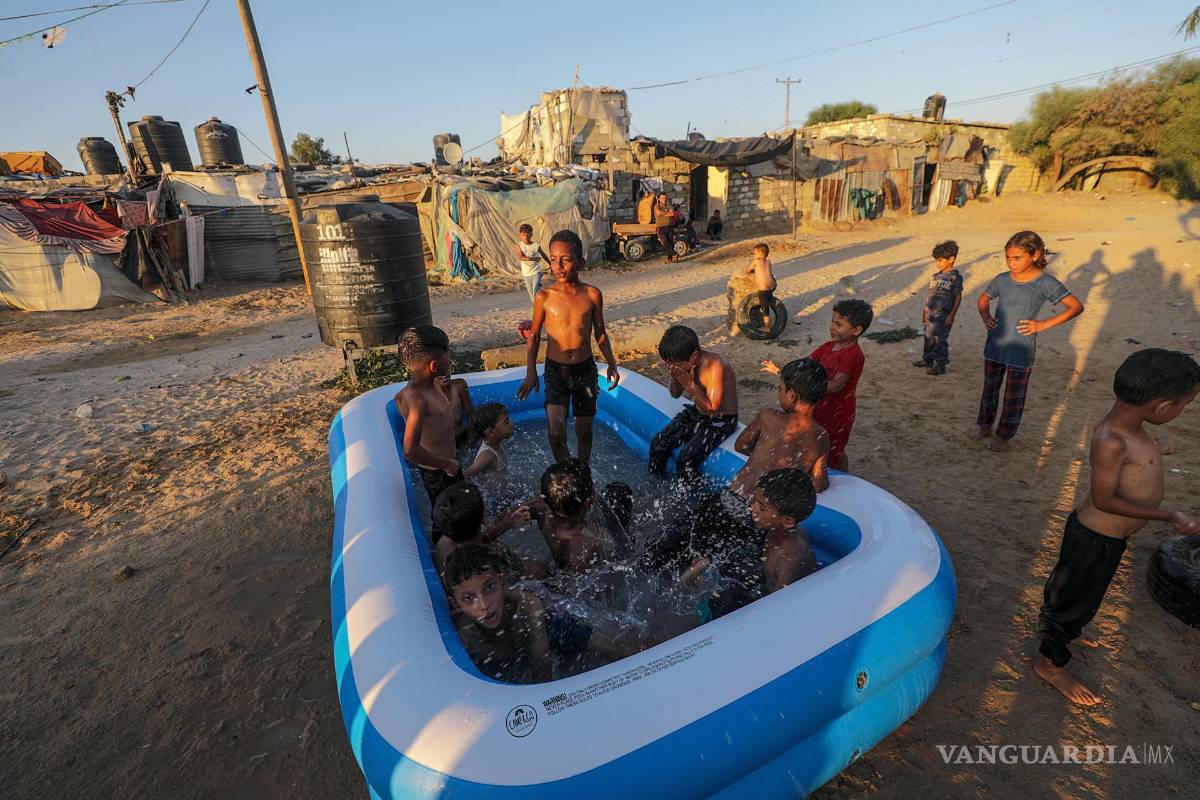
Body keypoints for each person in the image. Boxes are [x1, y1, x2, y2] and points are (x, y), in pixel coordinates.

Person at [1033, 348, 1200, 706]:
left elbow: (1135, 462)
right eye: (1182, 405)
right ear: (1160, 407)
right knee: (1069, 603)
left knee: (1082, 596)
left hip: (1108, 539)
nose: (1181, 412)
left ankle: (1070, 630)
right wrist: (1169, 516)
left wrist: (1158, 448)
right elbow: (1105, 499)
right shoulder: (1110, 440)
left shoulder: (1132, 428)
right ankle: (1050, 664)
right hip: (1094, 538)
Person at [970, 230, 1084, 451]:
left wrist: (1044, 324)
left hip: (1021, 348)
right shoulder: (1001, 280)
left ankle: (1004, 435)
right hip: (995, 345)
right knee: (989, 389)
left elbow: (1076, 306)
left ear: (1035, 254)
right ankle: (984, 425)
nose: (1011, 263)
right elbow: (983, 299)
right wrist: (986, 317)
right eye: (1008, 257)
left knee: (1014, 395)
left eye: (1017, 258)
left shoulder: (1046, 283)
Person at [517, 229, 620, 464]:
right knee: (555, 433)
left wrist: (612, 364)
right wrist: (531, 372)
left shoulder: (593, 295)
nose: (558, 266)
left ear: (581, 262)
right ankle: (565, 472)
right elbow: (533, 335)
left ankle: (582, 470)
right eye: (553, 259)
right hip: (556, 373)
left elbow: (600, 334)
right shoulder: (544, 297)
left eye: (566, 259)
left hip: (585, 372)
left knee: (584, 431)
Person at [764, 299, 872, 472]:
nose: (832, 327)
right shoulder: (828, 347)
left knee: (832, 449)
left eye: (838, 324)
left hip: (838, 413)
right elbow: (805, 366)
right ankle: (844, 476)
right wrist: (782, 371)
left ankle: (840, 480)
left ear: (857, 330)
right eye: (832, 321)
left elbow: (836, 385)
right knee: (822, 443)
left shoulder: (852, 355)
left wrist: (805, 387)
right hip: (818, 407)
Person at [704, 468, 819, 618]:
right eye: (754, 501)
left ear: (787, 521)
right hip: (762, 582)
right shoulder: (775, 528)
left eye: (762, 508)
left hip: (776, 602)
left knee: (723, 600)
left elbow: (778, 607)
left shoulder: (790, 558)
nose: (752, 508)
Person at [443, 544, 552, 683]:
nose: (484, 605)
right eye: (468, 598)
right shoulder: (465, 639)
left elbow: (543, 670)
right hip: (498, 667)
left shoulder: (527, 607)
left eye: (489, 587)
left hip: (543, 634)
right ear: (455, 604)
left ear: (502, 581)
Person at [729, 357, 830, 500]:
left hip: (736, 497)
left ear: (793, 396)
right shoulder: (821, 436)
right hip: (770, 512)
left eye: (780, 388)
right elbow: (819, 483)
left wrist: (762, 454)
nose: (778, 390)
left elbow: (740, 446)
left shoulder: (768, 417)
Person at [649, 325, 739, 484]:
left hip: (721, 420)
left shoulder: (714, 365)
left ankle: (689, 499)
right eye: (668, 364)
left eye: (675, 364)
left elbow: (712, 410)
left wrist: (690, 385)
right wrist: (675, 377)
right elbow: (675, 394)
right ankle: (655, 484)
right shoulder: (679, 364)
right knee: (658, 443)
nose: (672, 367)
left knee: (686, 459)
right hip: (697, 412)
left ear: (694, 356)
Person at [393, 325, 461, 516]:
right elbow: (410, 450)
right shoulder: (419, 401)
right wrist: (446, 464)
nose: (450, 357)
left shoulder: (427, 387)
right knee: (447, 519)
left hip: (448, 463)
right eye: (447, 353)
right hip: (439, 472)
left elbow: (398, 398)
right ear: (433, 365)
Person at [432, 481, 542, 578]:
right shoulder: (485, 559)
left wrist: (507, 524)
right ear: (484, 519)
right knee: (538, 570)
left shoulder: (447, 538)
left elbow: (478, 539)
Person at [533, 458, 615, 574]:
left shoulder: (541, 507)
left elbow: (510, 514)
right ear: (589, 502)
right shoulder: (585, 543)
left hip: (556, 563)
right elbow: (570, 588)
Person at [912, 240, 963, 376]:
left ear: (951, 259)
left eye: (940, 260)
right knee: (928, 336)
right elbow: (930, 295)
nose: (938, 263)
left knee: (939, 339)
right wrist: (925, 310)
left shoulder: (955, 278)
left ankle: (941, 364)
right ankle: (927, 359)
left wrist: (951, 315)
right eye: (936, 260)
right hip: (931, 314)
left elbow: (958, 297)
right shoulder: (935, 277)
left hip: (943, 314)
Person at [464, 402, 512, 500]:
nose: (511, 424)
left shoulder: (495, 443)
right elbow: (466, 474)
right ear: (490, 432)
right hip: (496, 500)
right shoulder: (487, 455)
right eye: (506, 422)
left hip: (502, 495)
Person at [515, 223, 548, 303]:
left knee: (535, 290)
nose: (526, 237)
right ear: (520, 235)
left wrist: (551, 264)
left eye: (528, 234)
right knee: (532, 295)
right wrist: (533, 258)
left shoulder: (536, 245)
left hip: (536, 272)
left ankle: (540, 306)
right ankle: (539, 306)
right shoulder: (519, 246)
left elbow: (544, 255)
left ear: (531, 234)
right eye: (523, 235)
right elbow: (520, 257)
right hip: (526, 274)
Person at [442, 376, 475, 447]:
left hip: (459, 437)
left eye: (445, 370)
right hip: (441, 443)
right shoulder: (426, 393)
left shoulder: (459, 385)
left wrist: (471, 439)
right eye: (439, 371)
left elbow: (470, 414)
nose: (443, 374)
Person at [654, 193, 677, 263]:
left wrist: (663, 213)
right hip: (660, 227)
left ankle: (670, 258)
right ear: (659, 199)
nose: (664, 199)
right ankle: (674, 254)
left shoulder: (668, 205)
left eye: (665, 198)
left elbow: (672, 213)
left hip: (669, 226)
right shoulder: (656, 206)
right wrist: (667, 212)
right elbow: (658, 213)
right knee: (665, 242)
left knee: (671, 242)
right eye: (663, 198)